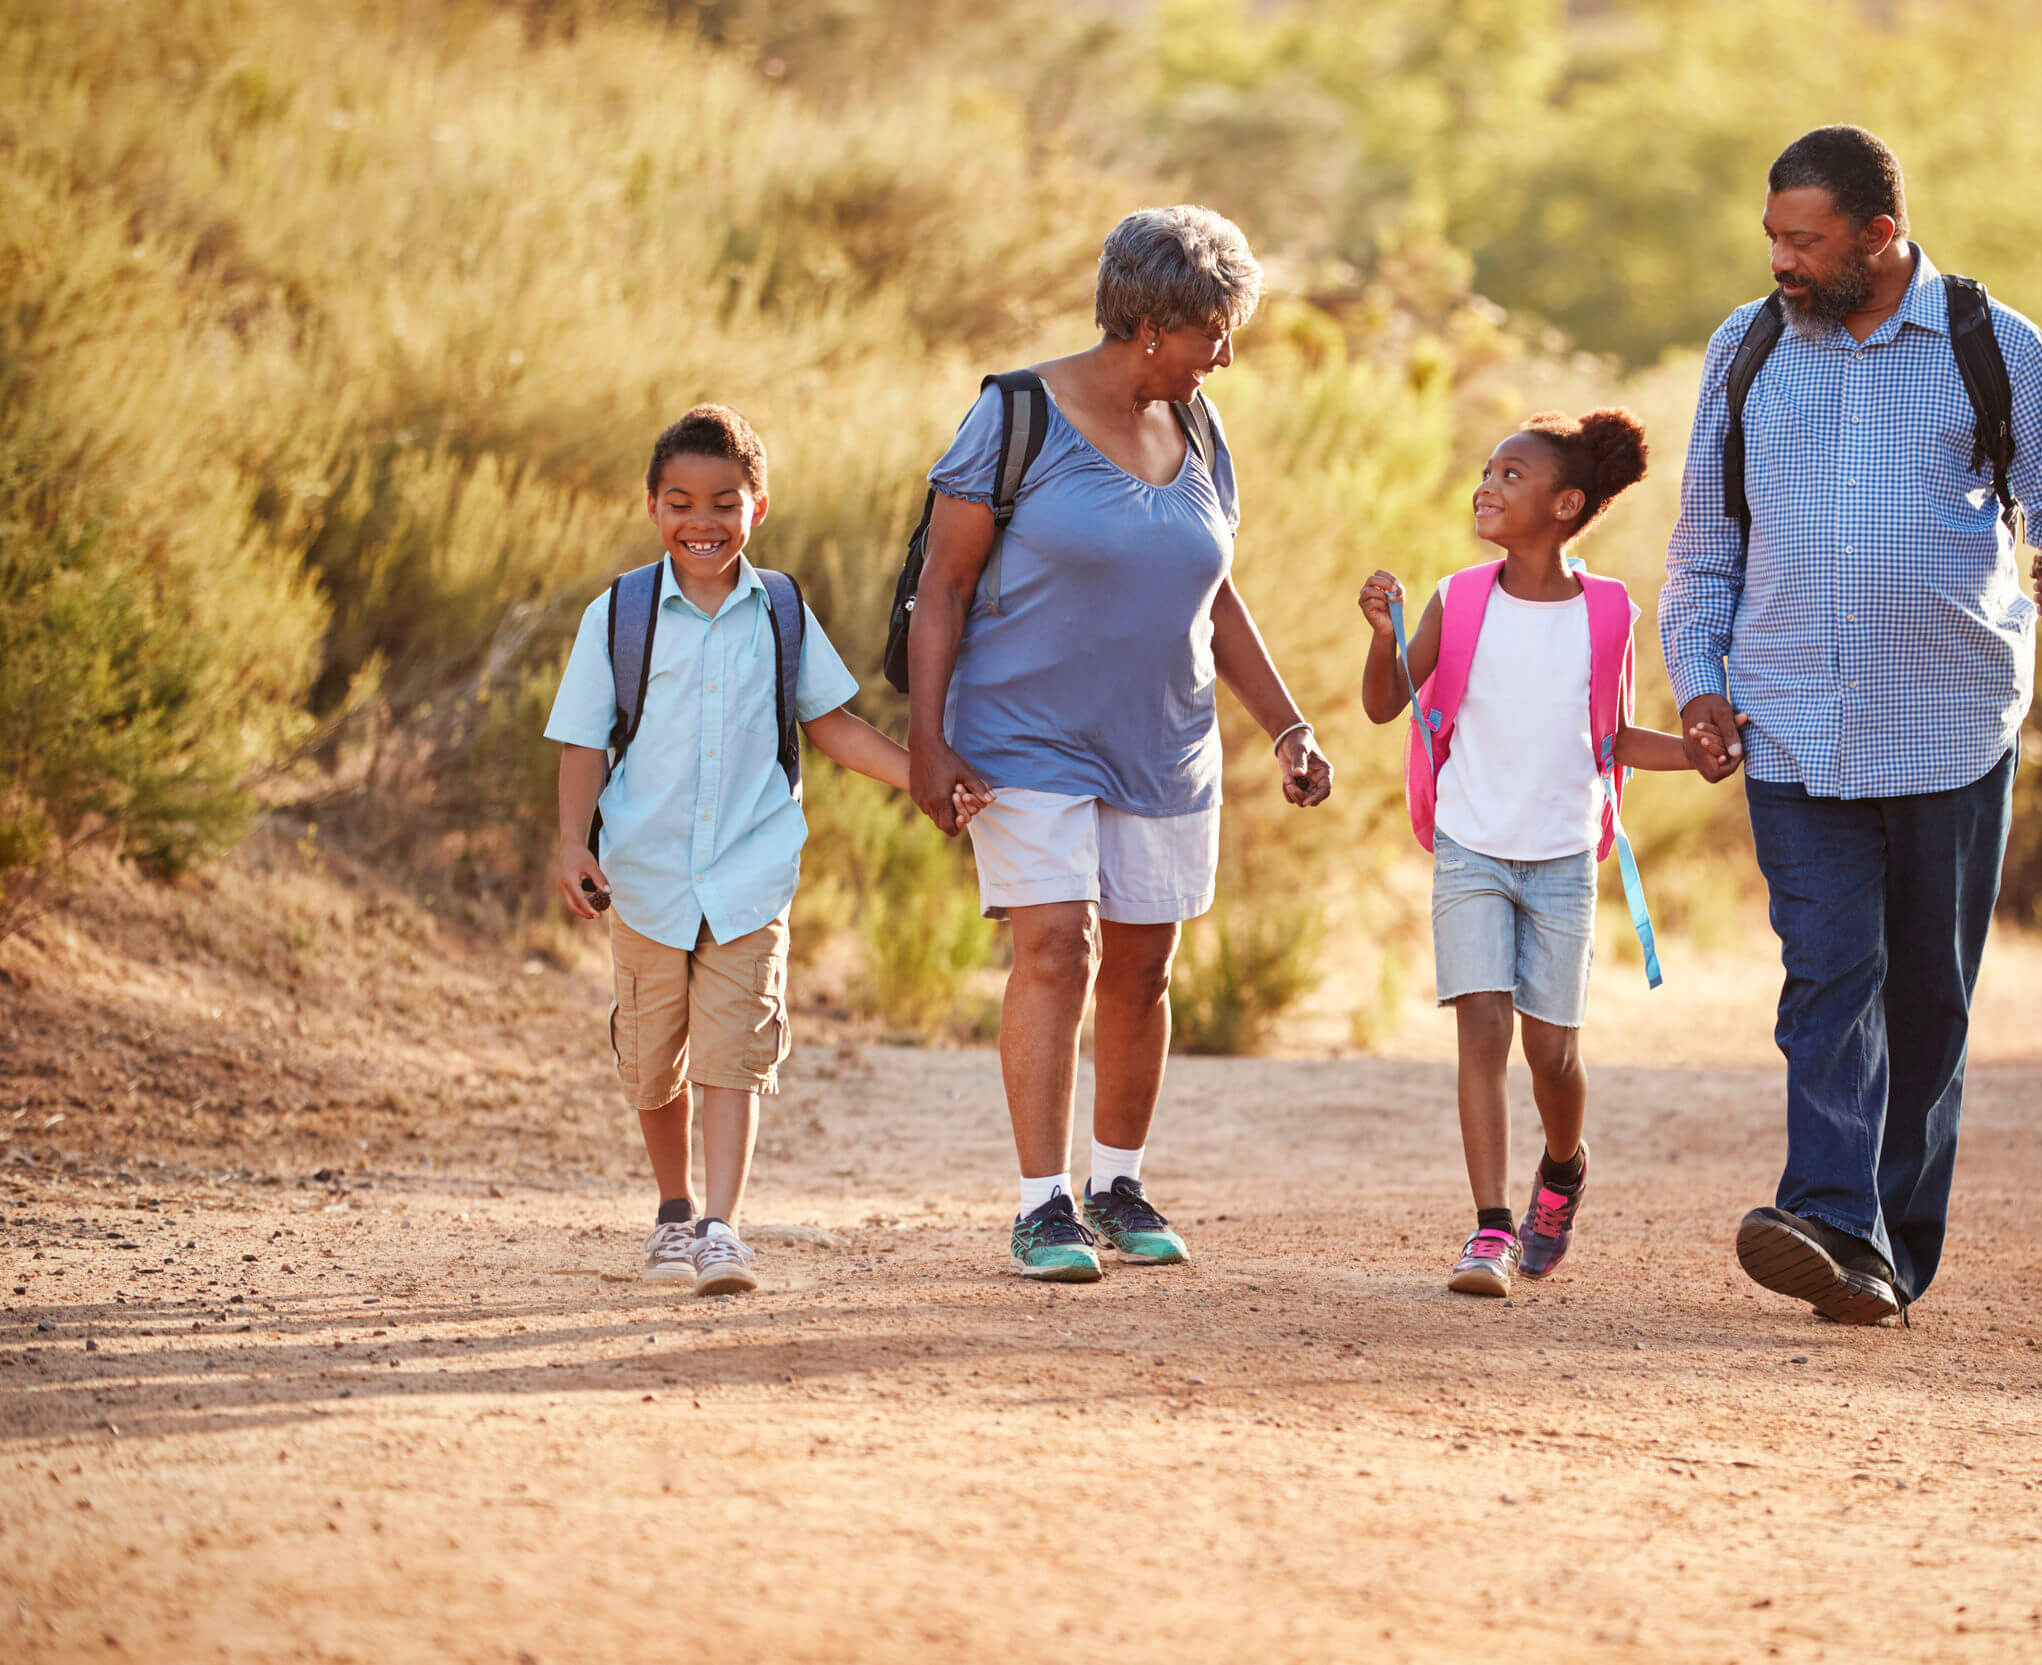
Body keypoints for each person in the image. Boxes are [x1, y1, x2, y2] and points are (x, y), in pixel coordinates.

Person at [1661, 126, 2042, 1324]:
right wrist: (1697, 679)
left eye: (1801, 240)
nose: (1778, 259)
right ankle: (1824, 1214)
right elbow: (1705, 547)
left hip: (1949, 729)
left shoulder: (1992, 345)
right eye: (1771, 235)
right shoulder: (1747, 347)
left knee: (1926, 998)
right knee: (1827, 975)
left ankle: (1883, 1259)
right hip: (1790, 721)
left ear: (1876, 236)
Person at [905, 205, 1332, 1283]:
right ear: (1150, 322)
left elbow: (1214, 598)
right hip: (1023, 735)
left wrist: (1285, 725)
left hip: (1166, 743)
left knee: (1142, 968)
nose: (1224, 356)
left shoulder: (1201, 431)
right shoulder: (1016, 417)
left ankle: (1117, 1181)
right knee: (1058, 948)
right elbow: (940, 588)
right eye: (1213, 334)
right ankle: (1040, 1203)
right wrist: (926, 741)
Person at [547, 405, 979, 1295]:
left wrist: (924, 779)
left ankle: (721, 1227)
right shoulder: (621, 612)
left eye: (722, 503)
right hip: (647, 871)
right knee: (652, 1057)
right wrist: (569, 843)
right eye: (680, 502)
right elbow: (584, 740)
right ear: (653, 509)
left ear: (758, 508)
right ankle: (673, 1210)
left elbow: (832, 727)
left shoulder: (780, 610)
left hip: (751, 872)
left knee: (733, 1053)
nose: (700, 522)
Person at [1358, 410, 1713, 1296]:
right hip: (1470, 847)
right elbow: (1383, 704)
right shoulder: (1458, 597)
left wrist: (1698, 753)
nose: (1487, 484)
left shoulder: (1608, 612)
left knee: (1550, 1052)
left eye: (1510, 476)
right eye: (1487, 470)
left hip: (1559, 860)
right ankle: (1489, 1230)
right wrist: (1383, 634)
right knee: (1480, 1029)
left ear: (1565, 505)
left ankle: (1562, 1167)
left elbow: (1617, 736)